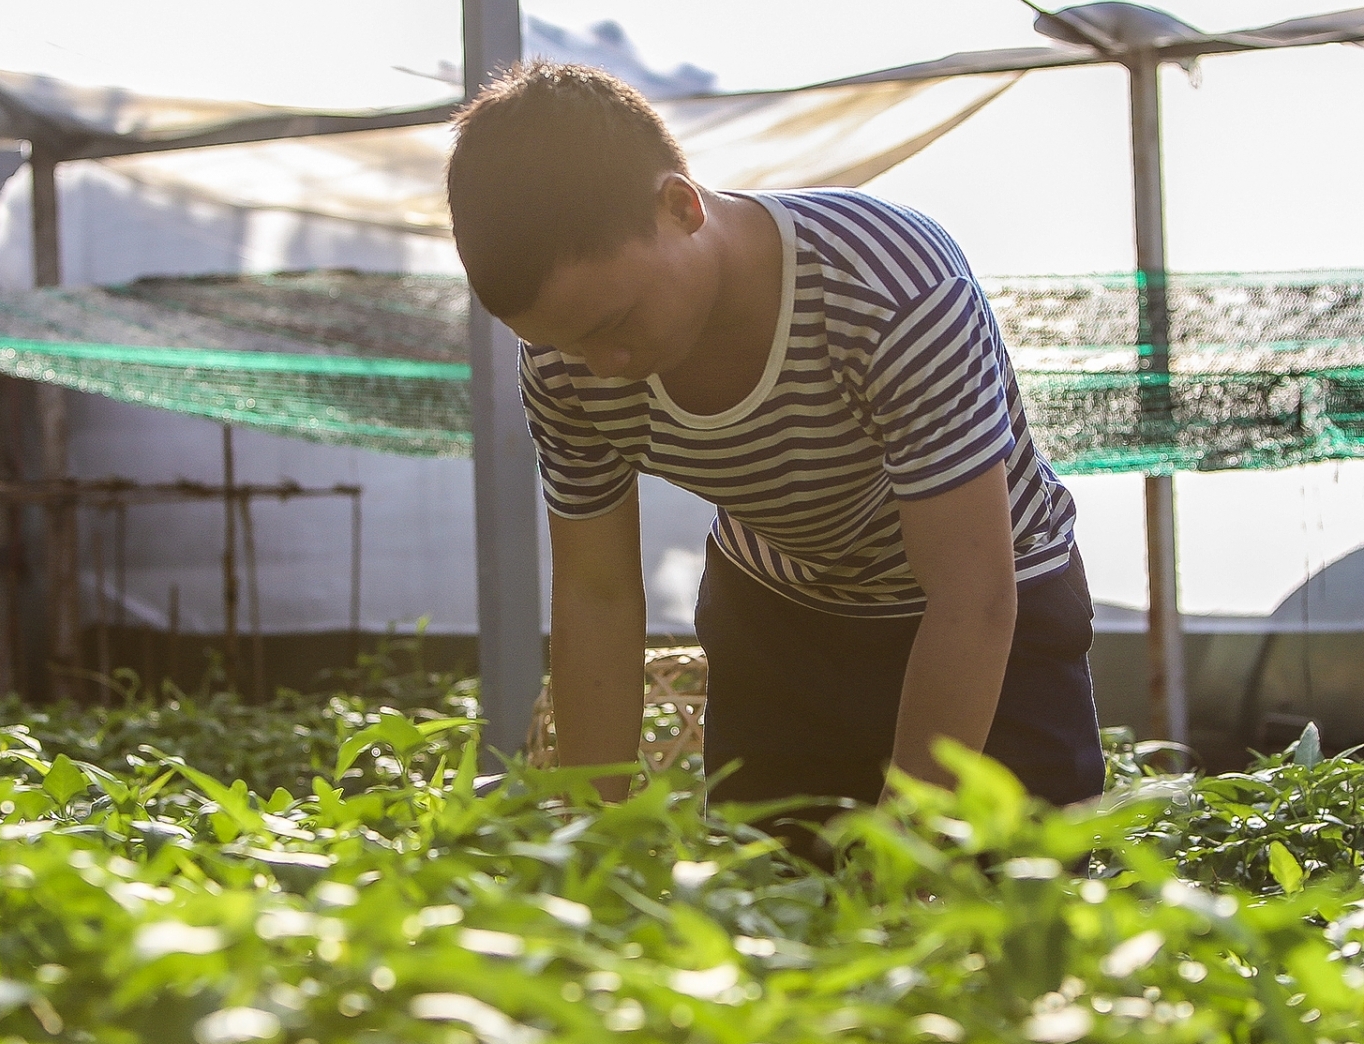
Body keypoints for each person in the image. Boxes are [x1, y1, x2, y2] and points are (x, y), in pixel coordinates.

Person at [446, 63, 1104, 835]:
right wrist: (596, 839)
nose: (602, 368)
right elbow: (597, 592)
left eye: (612, 324)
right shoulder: (566, 359)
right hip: (780, 620)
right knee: (780, 907)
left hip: (990, 620)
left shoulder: (890, 289)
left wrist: (904, 849)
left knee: (1000, 911)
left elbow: (973, 595)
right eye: (556, 341)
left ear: (680, 206)